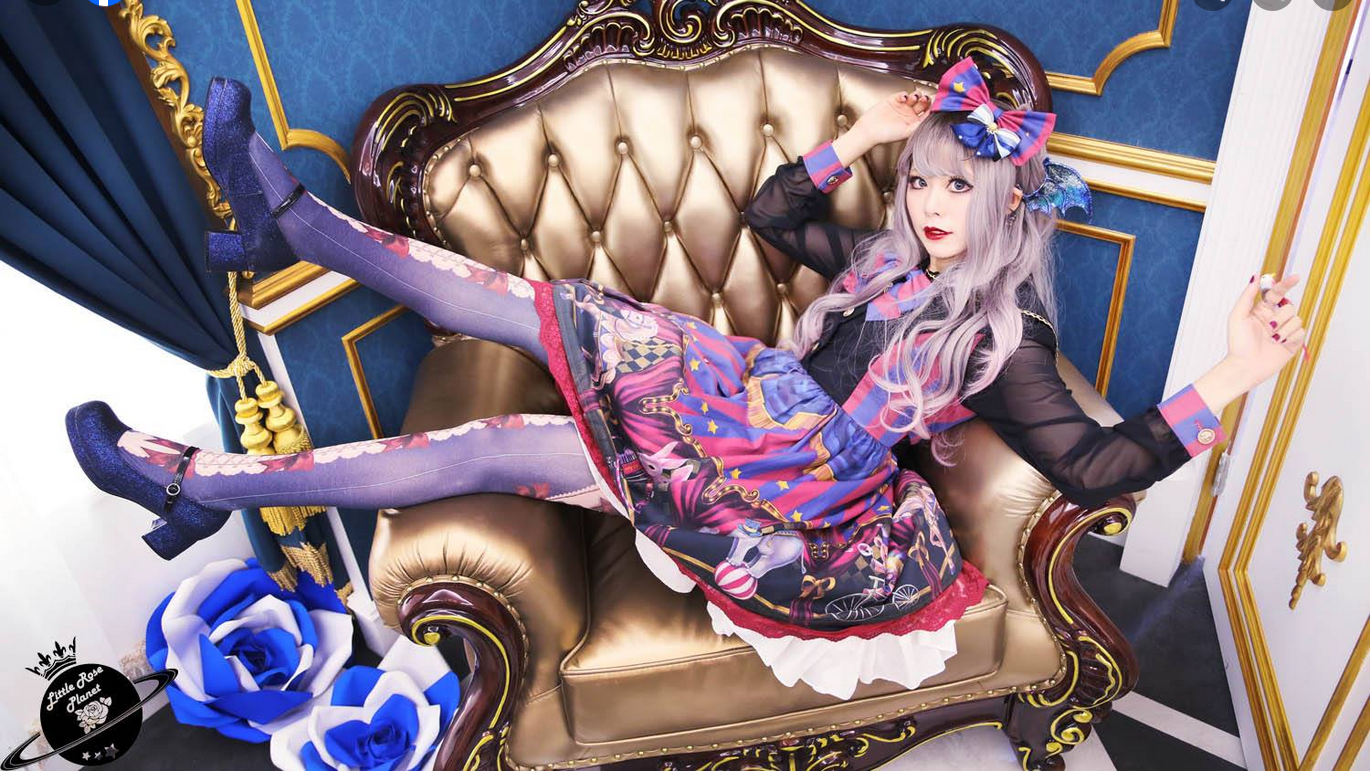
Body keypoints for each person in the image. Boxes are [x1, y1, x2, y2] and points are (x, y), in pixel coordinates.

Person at [64, 59, 1305, 700]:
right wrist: (865, 138)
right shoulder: (885, 258)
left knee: (500, 436)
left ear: (1005, 204)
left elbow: (1094, 465)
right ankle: (290, 243)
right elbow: (774, 214)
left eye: (959, 186)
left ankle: (201, 470)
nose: (933, 204)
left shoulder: (999, 337)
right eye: (924, 179)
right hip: (741, 406)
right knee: (543, 318)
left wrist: (1236, 371)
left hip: (797, 498)